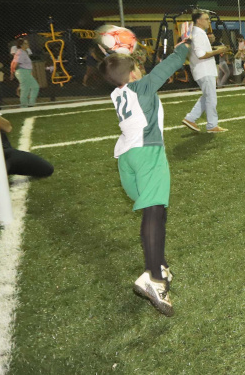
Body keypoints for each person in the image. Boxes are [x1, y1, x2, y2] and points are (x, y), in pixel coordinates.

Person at [98, 39, 192, 316]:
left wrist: (117, 57)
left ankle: (159, 264)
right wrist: (184, 47)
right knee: (153, 211)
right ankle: (154, 278)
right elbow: (170, 65)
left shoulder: (118, 93)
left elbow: (117, 70)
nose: (140, 69)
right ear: (133, 74)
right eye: (136, 67)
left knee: (158, 208)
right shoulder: (144, 86)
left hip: (127, 157)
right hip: (148, 153)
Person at [181, 11, 229, 134]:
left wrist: (215, 49)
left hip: (203, 70)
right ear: (198, 21)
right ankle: (212, 125)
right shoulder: (198, 34)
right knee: (211, 98)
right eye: (207, 19)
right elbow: (201, 54)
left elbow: (201, 51)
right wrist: (217, 52)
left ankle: (190, 118)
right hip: (204, 70)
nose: (209, 21)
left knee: (207, 96)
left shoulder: (197, 33)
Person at [10, 38, 39, 107]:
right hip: (22, 72)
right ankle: (24, 106)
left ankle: (31, 104)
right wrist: (13, 72)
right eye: (26, 43)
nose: (28, 44)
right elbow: (16, 63)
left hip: (25, 72)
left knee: (35, 87)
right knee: (25, 89)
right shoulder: (20, 52)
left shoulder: (24, 52)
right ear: (22, 45)